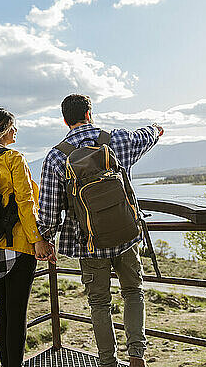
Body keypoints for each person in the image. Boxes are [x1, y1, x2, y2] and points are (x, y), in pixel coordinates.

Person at [37, 94, 164, 367]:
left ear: (64, 120)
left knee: (99, 303)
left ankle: (107, 362)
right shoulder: (116, 140)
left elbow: (48, 212)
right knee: (133, 292)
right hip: (127, 236)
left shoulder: (56, 157)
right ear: (89, 114)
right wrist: (156, 129)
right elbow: (146, 136)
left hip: (89, 243)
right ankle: (137, 357)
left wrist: (45, 239)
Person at [0, 108, 53, 367]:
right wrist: (37, 239)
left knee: (4, 311)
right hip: (17, 246)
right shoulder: (13, 158)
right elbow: (25, 201)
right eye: (14, 127)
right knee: (17, 313)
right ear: (4, 130)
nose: (16, 131)